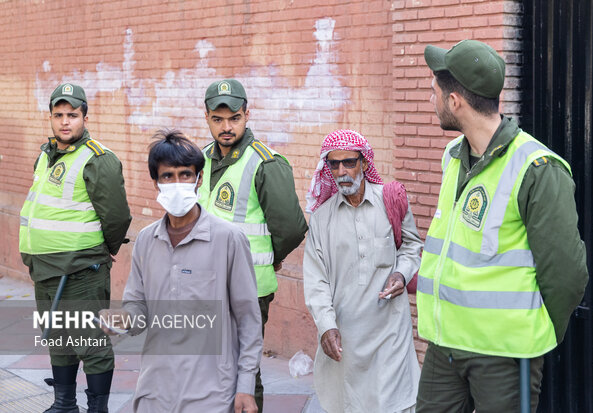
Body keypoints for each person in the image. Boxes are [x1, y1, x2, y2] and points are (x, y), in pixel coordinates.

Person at [416, 39, 589, 412]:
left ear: (454, 101)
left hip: (504, 355)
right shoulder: (452, 155)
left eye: (434, 92)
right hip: (444, 344)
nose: (431, 99)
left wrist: (533, 335)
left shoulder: (537, 168)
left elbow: (567, 274)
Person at [100, 130, 262, 412]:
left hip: (212, 391)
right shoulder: (146, 241)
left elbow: (248, 318)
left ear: (199, 179)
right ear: (156, 183)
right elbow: (138, 309)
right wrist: (122, 319)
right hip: (156, 389)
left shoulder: (228, 239)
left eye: (185, 175)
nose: (177, 183)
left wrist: (245, 386)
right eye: (167, 176)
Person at [18, 83, 131, 413]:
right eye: (59, 115)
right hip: (45, 271)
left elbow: (117, 216)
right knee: (57, 338)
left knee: (90, 343)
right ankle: (64, 404)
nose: (65, 122)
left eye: (73, 115)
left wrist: (101, 251)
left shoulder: (98, 160)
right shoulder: (46, 154)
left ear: (85, 116)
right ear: (50, 117)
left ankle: (98, 408)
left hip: (81, 272)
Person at [198, 78, 308, 411]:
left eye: (234, 118)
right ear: (207, 118)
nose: (226, 127)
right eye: (218, 119)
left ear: (247, 113)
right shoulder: (200, 158)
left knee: (243, 370)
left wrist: (270, 258)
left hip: (248, 287)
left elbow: (290, 228)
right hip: (205, 284)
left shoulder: (265, 163)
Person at [303, 129, 423, 413]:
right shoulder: (321, 219)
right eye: (334, 164)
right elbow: (316, 279)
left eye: (349, 162)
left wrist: (402, 273)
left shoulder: (391, 200)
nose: (342, 171)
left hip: (390, 331)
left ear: (365, 163)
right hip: (346, 336)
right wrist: (326, 325)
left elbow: (411, 246)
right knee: (353, 404)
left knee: (394, 404)